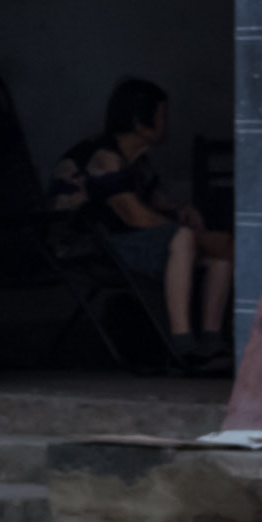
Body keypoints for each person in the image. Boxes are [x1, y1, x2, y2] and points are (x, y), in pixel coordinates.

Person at [47, 76, 230, 368]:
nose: (166, 123)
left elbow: (153, 195)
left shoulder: (136, 159)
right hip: (89, 247)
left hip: (122, 243)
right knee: (184, 238)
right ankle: (184, 347)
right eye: (162, 116)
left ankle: (211, 342)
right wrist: (198, 236)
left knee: (220, 258)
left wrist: (182, 208)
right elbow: (136, 216)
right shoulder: (104, 157)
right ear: (140, 123)